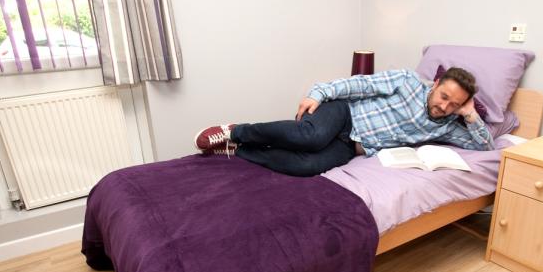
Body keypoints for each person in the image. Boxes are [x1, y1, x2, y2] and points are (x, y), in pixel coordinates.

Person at [194, 67, 494, 176]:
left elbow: (484, 147)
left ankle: (238, 149)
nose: (444, 106)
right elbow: (360, 84)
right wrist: (319, 93)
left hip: (356, 147)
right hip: (345, 115)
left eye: (454, 104)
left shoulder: (450, 124)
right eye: (444, 96)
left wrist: (470, 114)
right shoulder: (407, 81)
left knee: (307, 166)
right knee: (309, 137)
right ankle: (236, 130)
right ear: (437, 82)